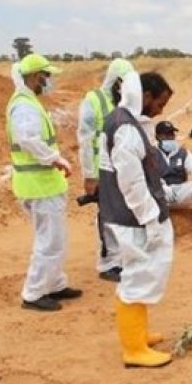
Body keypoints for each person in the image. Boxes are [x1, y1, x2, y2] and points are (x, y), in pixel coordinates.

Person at [98, 71, 175, 368]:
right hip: (133, 218)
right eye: (160, 103)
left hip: (130, 216)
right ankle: (133, 349)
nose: (161, 111)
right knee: (138, 275)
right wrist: (150, 218)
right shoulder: (126, 129)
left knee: (143, 273)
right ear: (145, 97)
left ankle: (139, 335)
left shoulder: (124, 121)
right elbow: (131, 183)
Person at [6, 54, 81, 312]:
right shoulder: (25, 105)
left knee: (55, 239)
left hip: (43, 184)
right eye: (46, 76)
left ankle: (55, 283)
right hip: (38, 185)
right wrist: (54, 158)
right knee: (48, 241)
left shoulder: (29, 102)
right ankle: (35, 292)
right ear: (34, 76)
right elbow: (27, 137)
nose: (48, 81)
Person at [76, 58, 135, 282]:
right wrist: (89, 175)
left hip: (122, 169)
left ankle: (121, 259)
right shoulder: (94, 101)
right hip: (103, 171)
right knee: (108, 218)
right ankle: (108, 263)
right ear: (116, 81)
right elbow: (85, 139)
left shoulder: (125, 101)